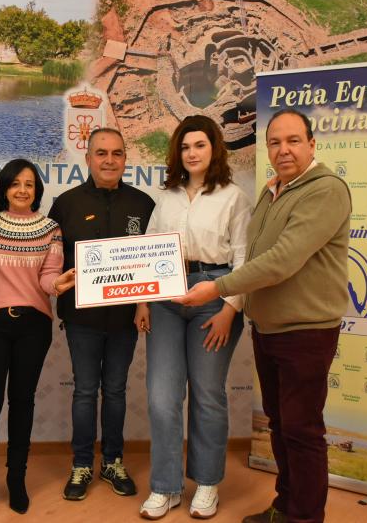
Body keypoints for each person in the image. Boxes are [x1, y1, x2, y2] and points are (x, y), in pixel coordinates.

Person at [174, 108, 352, 523]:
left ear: (312, 144)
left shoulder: (325, 190)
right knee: (281, 425)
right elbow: (256, 253)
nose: (283, 150)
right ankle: (285, 507)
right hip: (270, 329)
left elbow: (281, 261)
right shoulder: (275, 191)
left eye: (293, 141)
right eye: (275, 142)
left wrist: (217, 288)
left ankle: (304, 517)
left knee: (302, 430)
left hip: (305, 332)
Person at [134, 115, 251, 519]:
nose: (192, 153)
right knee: (162, 397)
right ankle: (165, 487)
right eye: (185, 147)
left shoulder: (234, 197)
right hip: (165, 298)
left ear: (214, 149)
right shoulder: (166, 197)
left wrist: (230, 309)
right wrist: (143, 301)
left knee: (207, 394)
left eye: (200, 145)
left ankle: (206, 484)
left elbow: (244, 258)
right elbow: (148, 249)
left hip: (215, 295)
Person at [0, 159, 75, 521]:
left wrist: (57, 284)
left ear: (37, 190)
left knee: (22, 402)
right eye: (15, 184)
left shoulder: (51, 230)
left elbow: (48, 277)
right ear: (5, 188)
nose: (23, 190)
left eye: (29, 184)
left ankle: (16, 481)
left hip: (33, 325)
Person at [49, 128, 155, 501]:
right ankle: (81, 464)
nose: (109, 160)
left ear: (125, 158)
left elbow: (150, 262)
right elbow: (53, 262)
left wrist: (143, 304)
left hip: (125, 320)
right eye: (101, 153)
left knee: (115, 391)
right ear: (88, 158)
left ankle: (112, 461)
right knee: (84, 392)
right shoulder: (66, 204)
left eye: (116, 153)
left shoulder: (144, 204)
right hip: (82, 320)